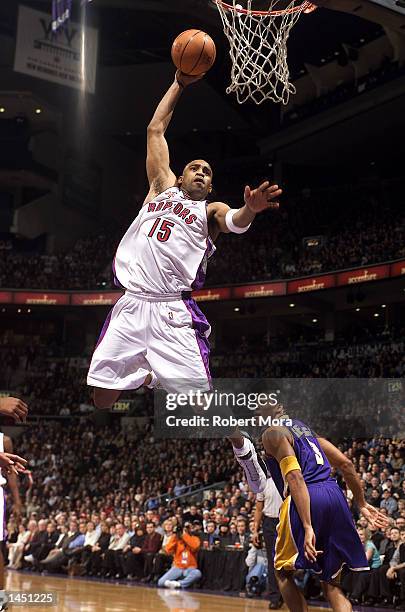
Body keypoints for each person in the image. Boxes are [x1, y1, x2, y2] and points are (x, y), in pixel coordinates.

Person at [87, 70, 282, 404]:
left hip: (171, 309)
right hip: (131, 302)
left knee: (200, 405)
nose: (201, 173)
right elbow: (155, 129)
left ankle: (244, 447)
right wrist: (178, 82)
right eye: (195, 168)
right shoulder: (160, 189)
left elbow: (234, 221)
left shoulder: (209, 211)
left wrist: (251, 209)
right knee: (102, 399)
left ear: (209, 186)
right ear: (180, 177)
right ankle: (150, 377)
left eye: (207, 173)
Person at [237, 400, 388, 612]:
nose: (254, 415)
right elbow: (346, 464)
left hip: (308, 497)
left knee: (281, 572)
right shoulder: (303, 428)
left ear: (272, 410)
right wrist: (361, 503)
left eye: (256, 410)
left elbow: (296, 477)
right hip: (334, 495)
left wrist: (308, 526)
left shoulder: (271, 433)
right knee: (332, 584)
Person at [253, 476, 283, 609]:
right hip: (269, 523)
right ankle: (275, 596)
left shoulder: (289, 480)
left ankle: (286, 594)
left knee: (285, 561)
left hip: (285, 522)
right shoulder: (263, 484)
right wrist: (255, 531)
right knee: (272, 561)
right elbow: (259, 509)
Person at [157, 522, 201, 589]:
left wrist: (184, 535)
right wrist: (175, 537)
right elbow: (168, 550)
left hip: (190, 567)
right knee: (161, 582)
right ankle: (175, 584)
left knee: (197, 573)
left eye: (187, 528)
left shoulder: (195, 538)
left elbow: (195, 546)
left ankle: (179, 584)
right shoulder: (176, 539)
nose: (185, 530)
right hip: (178, 567)